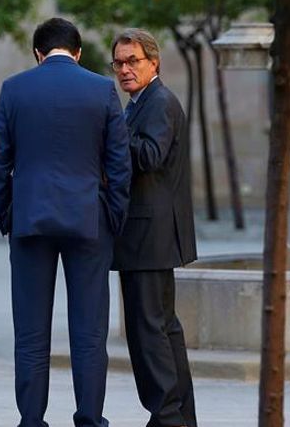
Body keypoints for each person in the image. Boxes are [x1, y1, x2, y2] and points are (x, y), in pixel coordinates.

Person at [0, 17, 131, 427]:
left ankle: (31, 420)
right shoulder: (102, 89)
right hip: (89, 220)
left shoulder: (14, 89)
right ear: (78, 52)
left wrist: (8, 215)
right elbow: (120, 165)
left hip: (30, 221)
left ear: (38, 53)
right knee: (89, 333)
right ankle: (90, 419)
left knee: (31, 333)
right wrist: (112, 217)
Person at [110, 28, 197, 427]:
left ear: (154, 63)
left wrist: (111, 129)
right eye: (119, 63)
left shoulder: (158, 102)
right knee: (163, 330)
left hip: (149, 237)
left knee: (149, 333)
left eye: (133, 61)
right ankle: (179, 417)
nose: (124, 70)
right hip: (149, 237)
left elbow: (148, 155)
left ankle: (166, 417)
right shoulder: (140, 103)